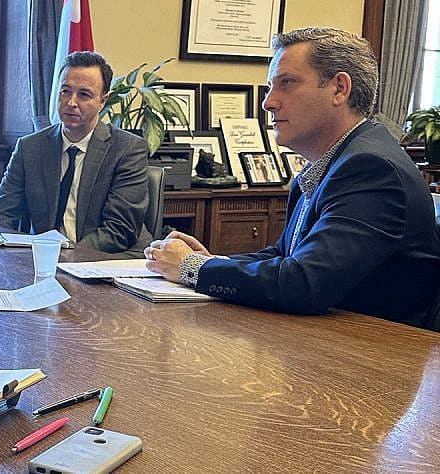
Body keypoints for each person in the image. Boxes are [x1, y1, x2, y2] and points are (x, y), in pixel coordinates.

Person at [145, 27, 440, 325]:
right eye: (271, 86)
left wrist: (191, 268)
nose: (268, 102)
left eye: (287, 83)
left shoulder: (372, 168)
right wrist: (212, 263)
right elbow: (285, 256)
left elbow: (303, 283)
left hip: (373, 359)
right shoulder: (335, 161)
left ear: (339, 88)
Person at [0, 51, 151, 257]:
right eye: (65, 91)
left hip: (107, 260)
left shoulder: (127, 149)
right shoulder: (30, 148)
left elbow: (120, 230)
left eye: (84, 94)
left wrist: (63, 256)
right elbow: (1, 215)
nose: (71, 102)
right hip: (44, 260)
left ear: (102, 101)